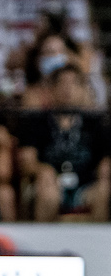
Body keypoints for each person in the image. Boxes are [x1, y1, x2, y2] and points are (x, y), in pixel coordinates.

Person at [19, 64, 110, 221]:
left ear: (83, 90)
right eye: (62, 83)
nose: (67, 89)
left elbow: (106, 157)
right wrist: (42, 170)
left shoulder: (95, 123)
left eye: (74, 83)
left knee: (104, 189)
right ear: (51, 90)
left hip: (85, 184)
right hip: (49, 183)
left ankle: (96, 243)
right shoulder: (37, 122)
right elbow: (27, 160)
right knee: (48, 192)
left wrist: (104, 170)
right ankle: (44, 243)